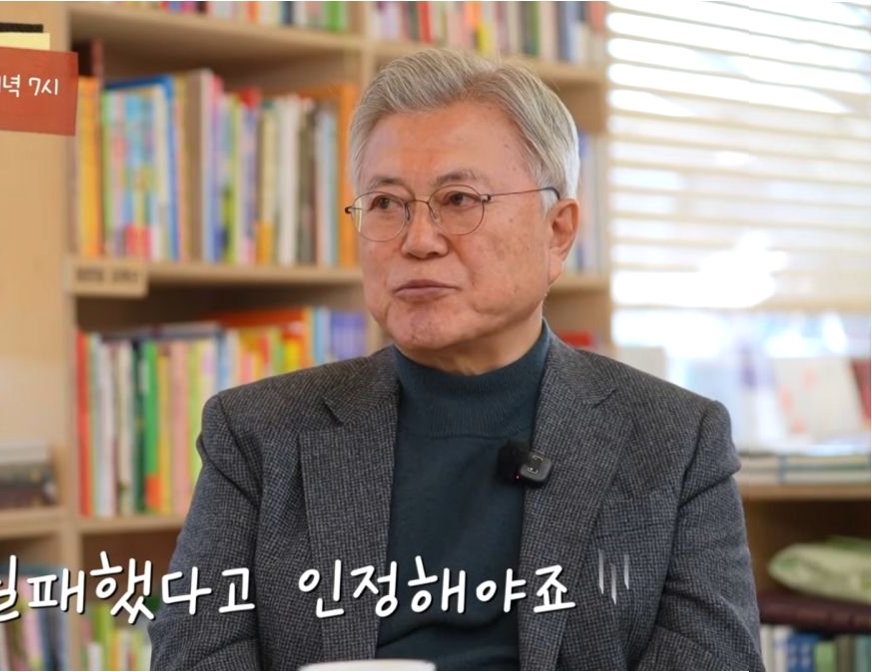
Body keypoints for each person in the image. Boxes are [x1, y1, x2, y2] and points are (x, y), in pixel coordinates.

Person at [148, 49, 763, 671]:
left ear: (557, 232)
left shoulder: (676, 440)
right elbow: (192, 658)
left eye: (460, 198)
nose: (418, 240)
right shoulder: (256, 432)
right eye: (385, 204)